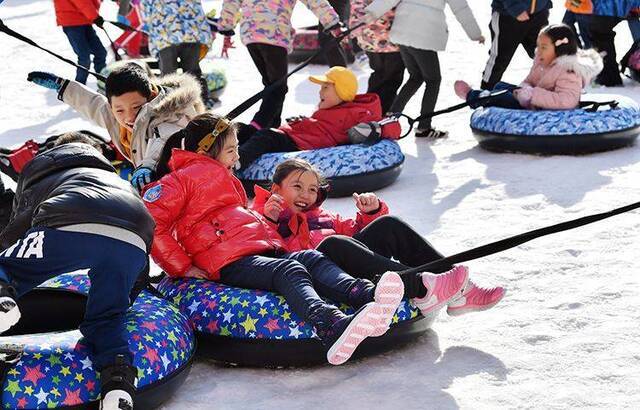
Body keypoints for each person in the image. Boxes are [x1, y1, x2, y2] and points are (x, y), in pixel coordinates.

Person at [145, 113, 468, 364]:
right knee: (290, 271)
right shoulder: (180, 180)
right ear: (208, 149)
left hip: (254, 251)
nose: (235, 157)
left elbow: (237, 224)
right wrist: (182, 266)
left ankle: (368, 296)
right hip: (225, 262)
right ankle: (329, 323)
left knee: (312, 258)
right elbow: (152, 221)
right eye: (230, 150)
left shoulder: (224, 179)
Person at [0, 136, 155, 409]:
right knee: (106, 318)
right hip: (133, 238)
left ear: (56, 150)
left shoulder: (42, 168)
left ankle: (2, 301)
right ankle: (117, 383)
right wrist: (127, 295)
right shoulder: (115, 178)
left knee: (5, 268)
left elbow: (16, 230)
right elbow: (142, 261)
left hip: (68, 221)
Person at [252, 158, 506, 316]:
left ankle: (459, 287)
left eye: (311, 189)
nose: (305, 195)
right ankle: (423, 285)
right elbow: (265, 258)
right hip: (322, 281)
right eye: (297, 187)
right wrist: (270, 221)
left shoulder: (322, 217)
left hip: (351, 268)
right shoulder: (259, 218)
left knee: (387, 224)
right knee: (331, 245)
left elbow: (355, 237)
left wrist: (369, 213)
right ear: (276, 189)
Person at [26, 62, 206, 191]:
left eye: (136, 107)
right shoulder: (117, 115)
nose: (128, 116)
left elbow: (165, 138)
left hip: (189, 187)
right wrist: (63, 87)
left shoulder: (171, 115)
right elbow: (95, 104)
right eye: (119, 110)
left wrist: (147, 166)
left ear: (150, 95)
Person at [217, 0, 342, 138]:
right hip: (274, 34)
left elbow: (231, 2)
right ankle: (256, 127)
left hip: (251, 34)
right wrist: (332, 23)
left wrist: (226, 27)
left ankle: (271, 129)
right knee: (278, 88)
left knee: (271, 86)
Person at [364, 0, 484, 138]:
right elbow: (461, 9)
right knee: (433, 80)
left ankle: (391, 116)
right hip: (424, 35)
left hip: (403, 31)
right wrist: (475, 34)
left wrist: (372, 12)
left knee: (416, 77)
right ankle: (424, 126)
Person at [237, 66, 383, 170]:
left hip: (301, 145)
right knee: (244, 130)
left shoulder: (356, 112)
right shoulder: (330, 109)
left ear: (342, 91)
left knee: (266, 136)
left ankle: (234, 165)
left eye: (326, 87)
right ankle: (217, 151)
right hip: (297, 137)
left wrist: (373, 129)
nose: (320, 92)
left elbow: (385, 125)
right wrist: (302, 122)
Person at [454, 24, 603, 110]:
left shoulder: (569, 70)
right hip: (531, 101)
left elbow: (567, 101)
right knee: (501, 86)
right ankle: (488, 99)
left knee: (502, 97)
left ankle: (471, 95)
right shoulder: (541, 61)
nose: (539, 51)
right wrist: (524, 90)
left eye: (544, 47)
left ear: (559, 49)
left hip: (542, 108)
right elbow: (530, 80)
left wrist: (532, 95)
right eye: (538, 46)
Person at [118, 0, 214, 104]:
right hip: (185, 29)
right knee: (186, 71)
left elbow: (144, 10)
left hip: (169, 30)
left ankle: (190, 102)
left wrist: (124, 13)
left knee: (172, 72)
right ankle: (195, 101)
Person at [480, 0, 552, 90]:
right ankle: (487, 91)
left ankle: (556, 89)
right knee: (500, 58)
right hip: (507, 15)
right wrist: (515, 7)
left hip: (539, 14)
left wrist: (545, 5)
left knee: (546, 55)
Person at [350, 0, 404, 113]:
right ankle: (380, 118)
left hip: (368, 34)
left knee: (379, 75)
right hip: (390, 34)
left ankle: (369, 112)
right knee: (391, 79)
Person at [52, 0, 107, 85]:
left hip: (84, 19)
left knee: (100, 52)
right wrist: (95, 16)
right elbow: (82, 1)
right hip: (71, 22)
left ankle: (103, 81)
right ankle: (79, 86)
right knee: (84, 57)